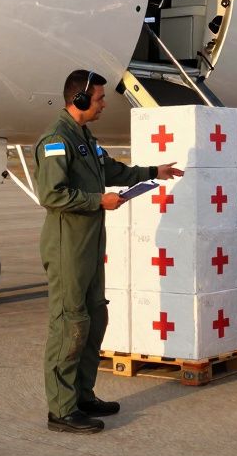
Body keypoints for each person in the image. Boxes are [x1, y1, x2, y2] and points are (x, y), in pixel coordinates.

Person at [35, 69, 183, 434]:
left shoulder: (84, 137)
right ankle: (61, 409)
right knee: (69, 323)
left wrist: (153, 170)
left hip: (89, 245)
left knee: (94, 318)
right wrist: (98, 200)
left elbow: (110, 168)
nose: (103, 105)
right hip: (68, 247)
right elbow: (51, 194)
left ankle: (83, 395)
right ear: (80, 100)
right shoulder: (56, 140)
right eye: (99, 99)